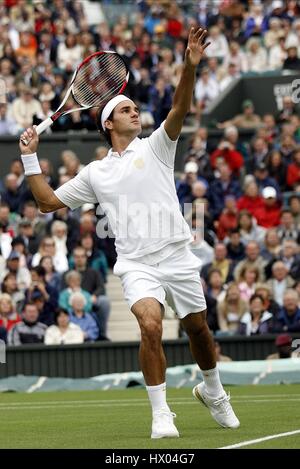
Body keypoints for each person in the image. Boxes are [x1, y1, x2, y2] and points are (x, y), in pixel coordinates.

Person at [19, 28, 239, 438]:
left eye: (136, 108)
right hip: (137, 263)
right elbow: (48, 202)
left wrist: (189, 68)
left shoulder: (156, 146)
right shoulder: (96, 173)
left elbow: (179, 107)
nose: (135, 112)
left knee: (199, 331)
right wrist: (31, 159)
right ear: (108, 123)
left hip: (176, 254)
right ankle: (161, 413)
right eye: (127, 110)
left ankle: (214, 392)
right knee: (151, 326)